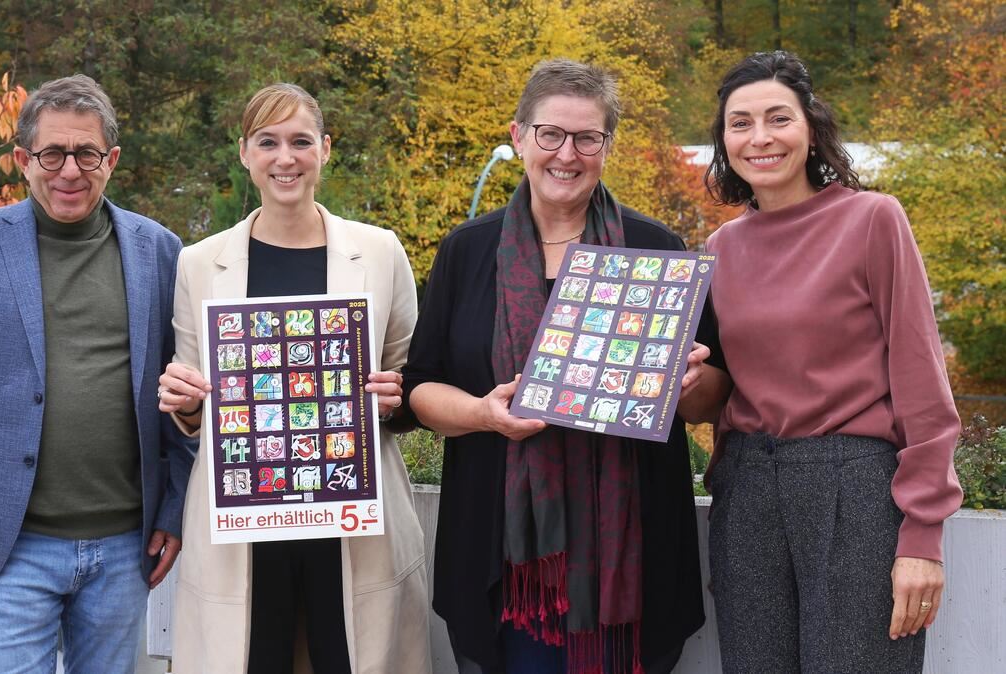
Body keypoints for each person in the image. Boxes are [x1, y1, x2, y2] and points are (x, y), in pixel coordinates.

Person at [403, 59, 730, 674]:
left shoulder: (654, 247)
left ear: (608, 145)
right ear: (519, 135)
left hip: (632, 556)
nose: (567, 154)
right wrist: (482, 413)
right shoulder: (467, 250)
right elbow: (419, 388)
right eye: (550, 133)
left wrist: (689, 381)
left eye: (588, 138)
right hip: (504, 556)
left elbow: (711, 398)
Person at [0, 74, 195, 673]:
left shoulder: (160, 250)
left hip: (126, 549)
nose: (70, 169)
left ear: (111, 159)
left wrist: (174, 510)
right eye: (52, 153)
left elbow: (180, 388)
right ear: (23, 159)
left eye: (86, 153)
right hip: (9, 549)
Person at [156, 83, 431, 673]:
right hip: (247, 526)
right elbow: (194, 405)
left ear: (325, 150)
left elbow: (412, 379)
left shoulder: (381, 252)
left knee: (351, 657)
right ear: (244, 154)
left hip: (353, 518)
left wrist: (396, 396)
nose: (286, 158)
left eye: (301, 141)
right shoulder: (200, 263)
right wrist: (183, 400)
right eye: (269, 142)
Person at [702, 50, 963, 673]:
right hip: (747, 491)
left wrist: (922, 534)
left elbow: (922, 383)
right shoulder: (718, 249)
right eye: (740, 123)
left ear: (811, 128)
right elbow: (720, 385)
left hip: (854, 486)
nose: (759, 137)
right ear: (724, 142)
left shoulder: (873, 219)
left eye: (777, 118)